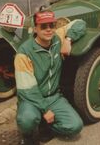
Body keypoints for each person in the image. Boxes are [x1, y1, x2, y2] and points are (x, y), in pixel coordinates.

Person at [14, 10, 86, 144]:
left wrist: (68, 39)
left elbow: (80, 23)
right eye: (43, 26)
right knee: (26, 120)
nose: (48, 30)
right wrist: (45, 110)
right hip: (31, 99)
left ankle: (45, 126)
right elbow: (27, 89)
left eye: (51, 25)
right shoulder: (24, 52)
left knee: (75, 126)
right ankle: (27, 136)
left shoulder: (57, 38)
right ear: (35, 29)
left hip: (54, 97)